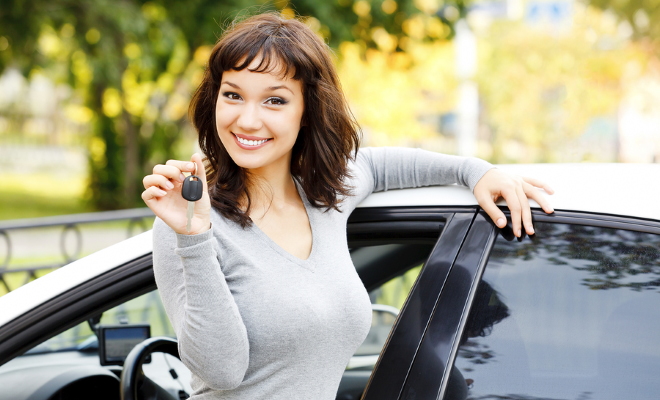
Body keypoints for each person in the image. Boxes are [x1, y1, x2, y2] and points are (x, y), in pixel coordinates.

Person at [141, 12, 554, 400]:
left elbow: (377, 164)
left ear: (307, 111)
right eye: (233, 95)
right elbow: (222, 372)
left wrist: (476, 172)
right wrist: (194, 239)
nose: (247, 120)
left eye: (275, 101)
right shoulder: (188, 223)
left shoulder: (325, 196)